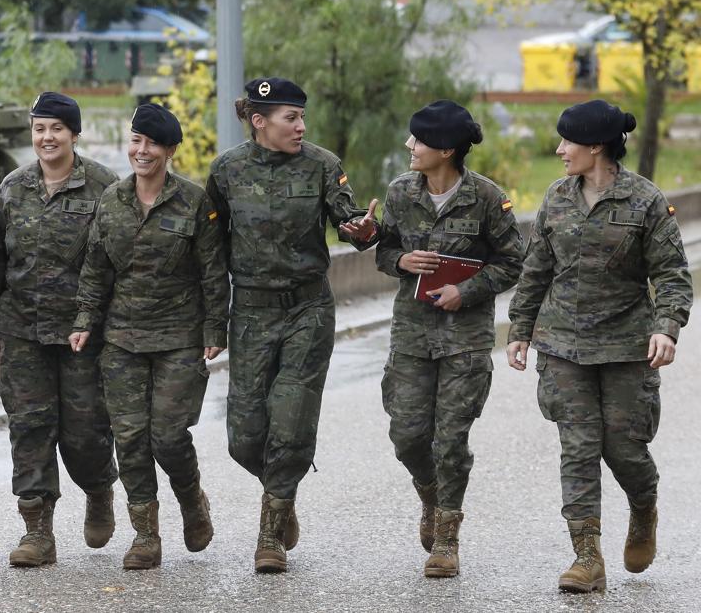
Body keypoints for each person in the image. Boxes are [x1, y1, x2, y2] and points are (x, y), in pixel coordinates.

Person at [508, 99, 692, 593]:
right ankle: (587, 556)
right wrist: (520, 330)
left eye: (567, 142)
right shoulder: (556, 197)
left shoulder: (645, 201)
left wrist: (666, 326)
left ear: (595, 147)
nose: (559, 149)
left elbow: (672, 274)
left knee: (624, 448)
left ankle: (643, 506)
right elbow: (535, 271)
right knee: (579, 447)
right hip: (563, 346)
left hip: (627, 346)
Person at [205, 77, 379, 573]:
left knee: (290, 420)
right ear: (259, 121)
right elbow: (212, 254)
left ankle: (270, 533)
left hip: (308, 310)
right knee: (244, 436)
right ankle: (282, 492)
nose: (301, 126)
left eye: (302, 117)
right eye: (290, 118)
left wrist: (363, 231)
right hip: (252, 312)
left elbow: (352, 222)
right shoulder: (228, 171)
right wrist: (214, 326)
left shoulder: (323, 165)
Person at [69, 103, 229, 570]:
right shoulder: (112, 200)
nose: (141, 151)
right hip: (121, 338)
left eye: (152, 143)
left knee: (168, 435)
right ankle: (145, 534)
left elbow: (212, 273)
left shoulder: (195, 202)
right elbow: (95, 269)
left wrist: (214, 328)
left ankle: (191, 498)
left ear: (170, 150)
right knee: (130, 437)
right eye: (136, 141)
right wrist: (84, 320)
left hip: (178, 336)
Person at [374, 100, 525, 578]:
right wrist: (400, 262)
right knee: (407, 436)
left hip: (465, 339)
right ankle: (431, 494)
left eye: (417, 140)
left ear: (445, 149)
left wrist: (469, 289)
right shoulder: (401, 192)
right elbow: (385, 250)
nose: (409, 146)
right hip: (412, 335)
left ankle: (447, 538)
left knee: (451, 439)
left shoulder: (486, 198)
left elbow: (513, 261)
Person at [0, 91, 120, 567]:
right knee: (29, 427)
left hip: (84, 334)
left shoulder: (104, 186)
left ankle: (99, 488)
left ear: (73, 134)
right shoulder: (12, 187)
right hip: (21, 329)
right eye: (39, 129)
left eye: (56, 129)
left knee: (84, 432)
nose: (46, 138)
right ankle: (37, 531)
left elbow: (117, 263)